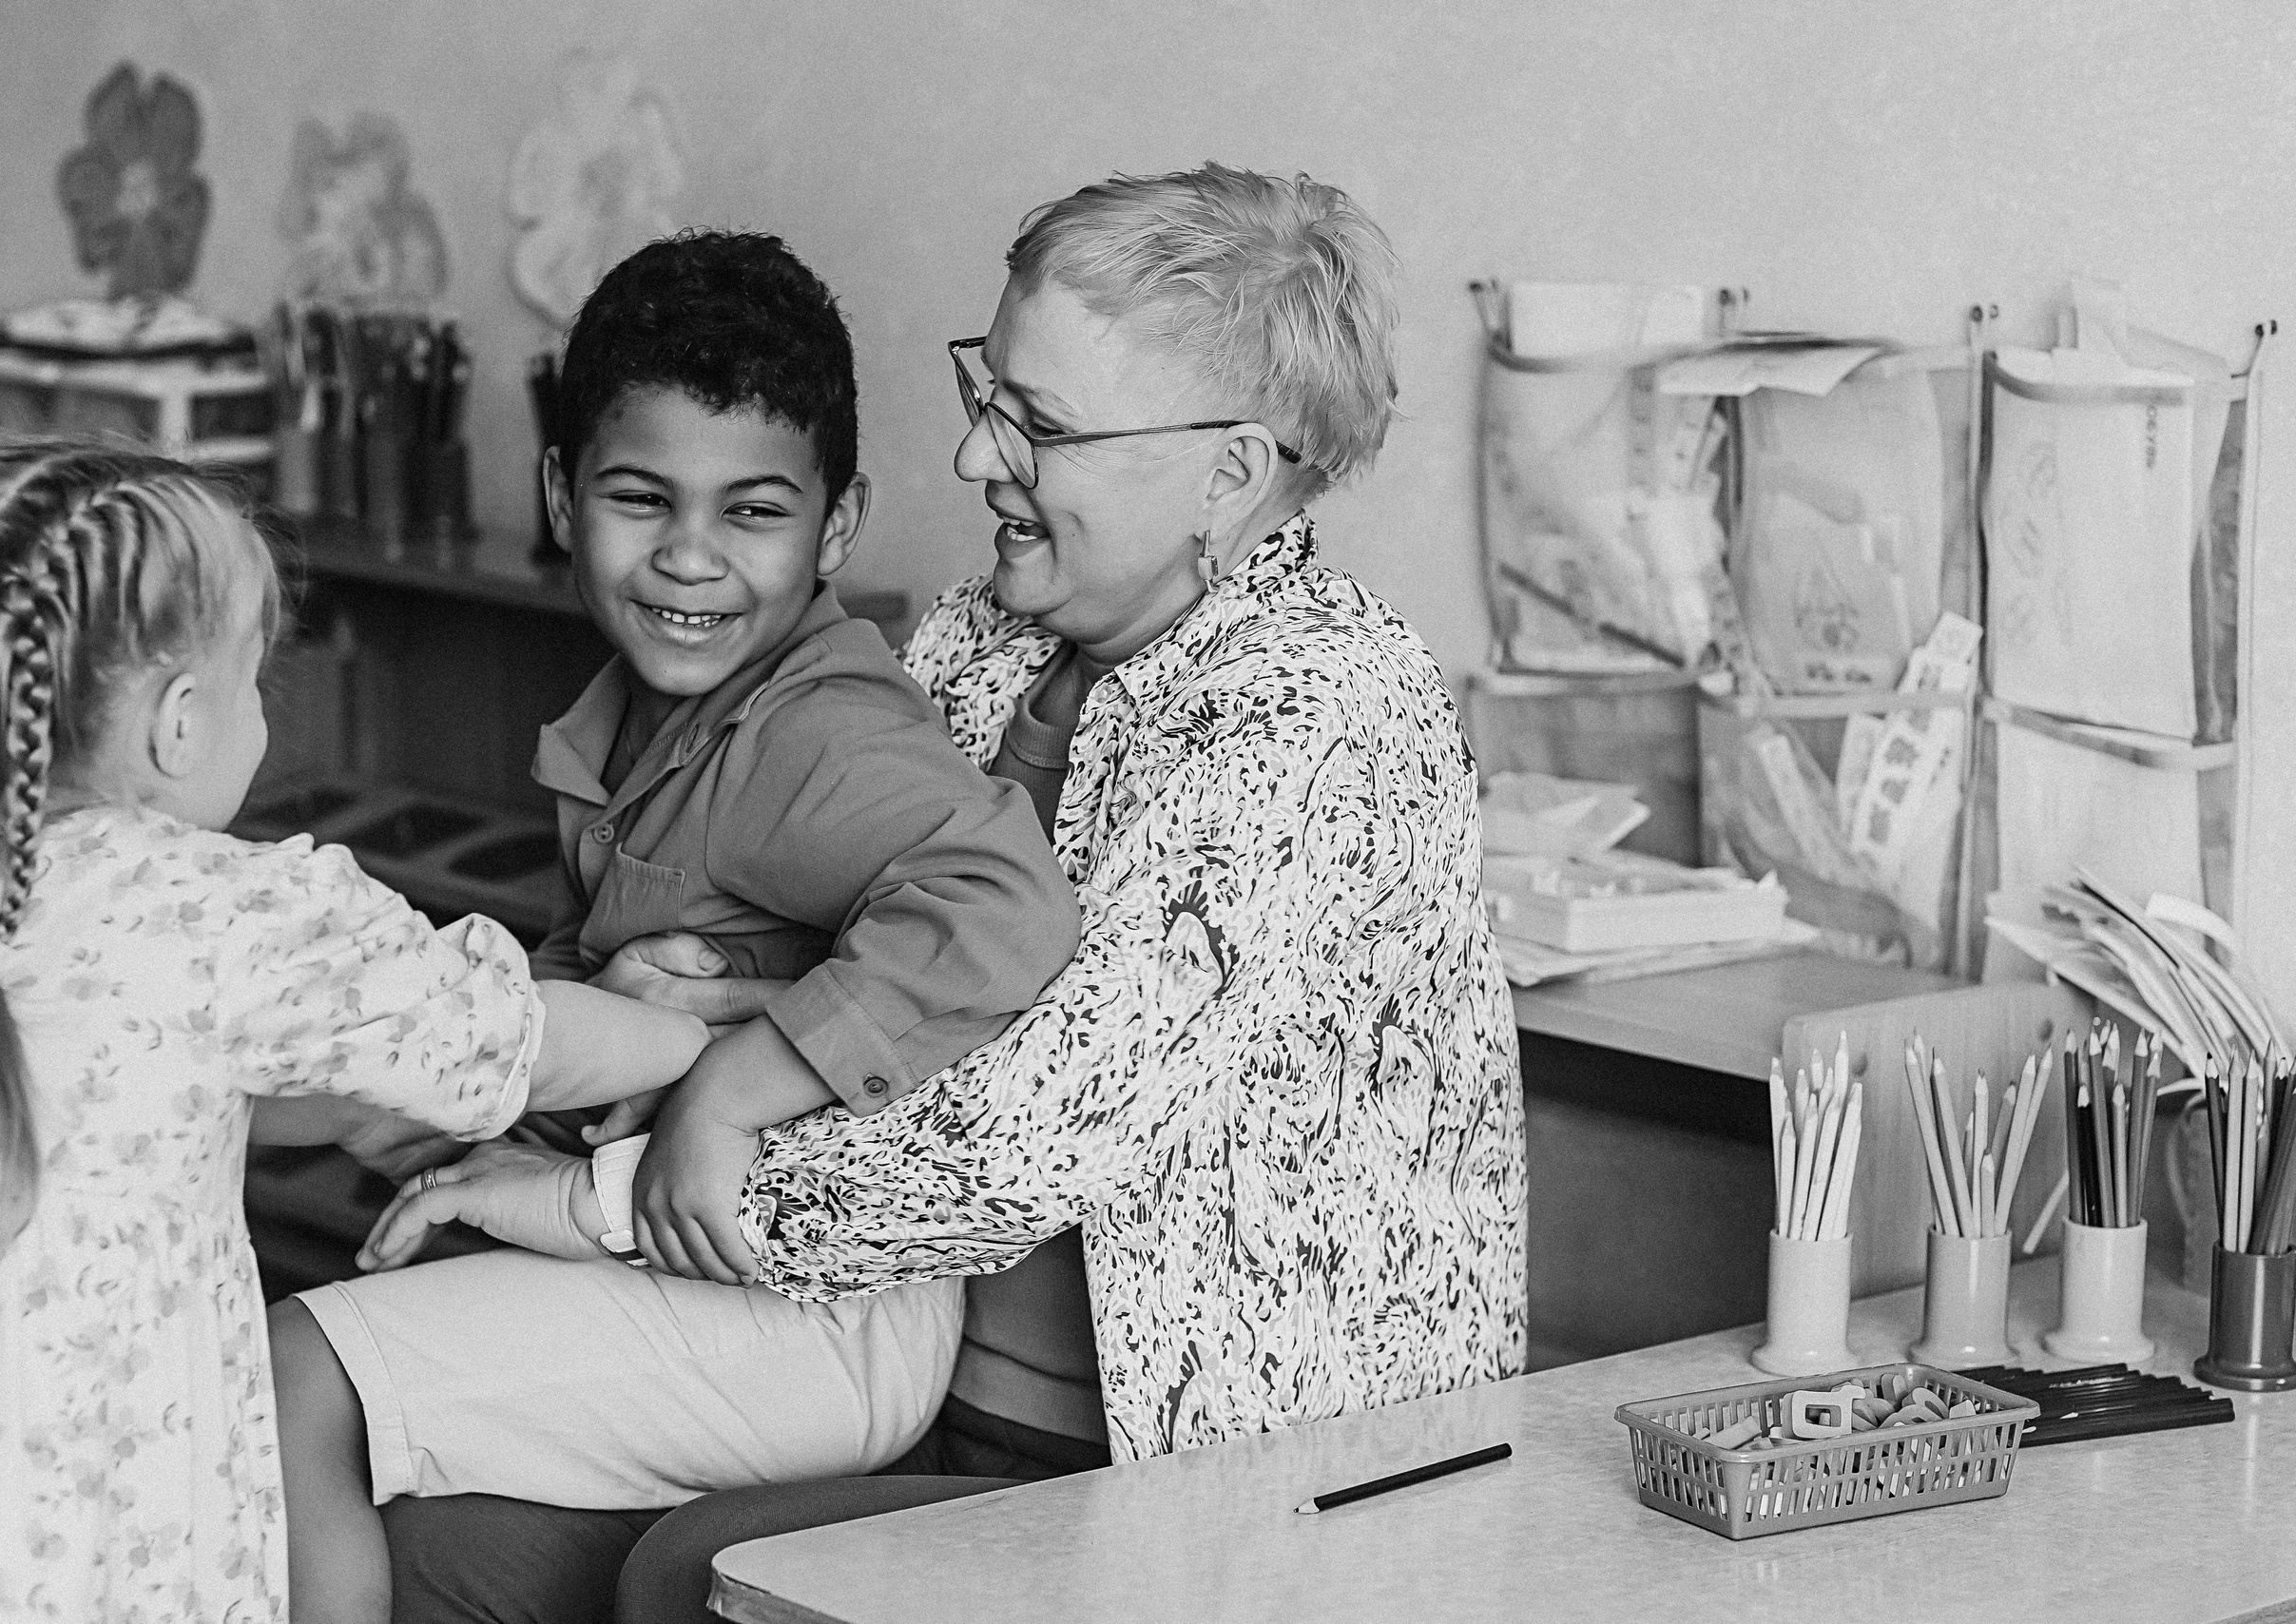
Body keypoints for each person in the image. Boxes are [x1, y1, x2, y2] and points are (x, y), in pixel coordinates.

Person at [374, 163, 1528, 1624]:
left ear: (1230, 474)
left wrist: (593, 1192)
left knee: (682, 1579)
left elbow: (1016, 1135)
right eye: (991, 392)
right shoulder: (983, 639)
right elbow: (893, 982)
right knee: (442, 1535)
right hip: (905, 1375)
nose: (979, 459)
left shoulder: (1316, 718)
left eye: (1037, 426)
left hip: (1219, 1487)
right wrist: (718, 998)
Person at [268, 230, 1081, 1624]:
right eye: (642, 499)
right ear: (561, 497)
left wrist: (727, 1088)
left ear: (836, 528)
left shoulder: (811, 732)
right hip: (718, 1270)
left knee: (297, 1380)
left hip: (818, 1318)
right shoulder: (650, 726)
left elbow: (1007, 907)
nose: (690, 558)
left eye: (753, 513)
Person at [0, 444, 721, 1622]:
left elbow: (141, 1093)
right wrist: (683, 1035)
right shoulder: (223, 911)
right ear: (179, 722)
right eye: (255, 678)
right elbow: (508, 1037)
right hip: (104, 1500)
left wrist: (361, 1105)